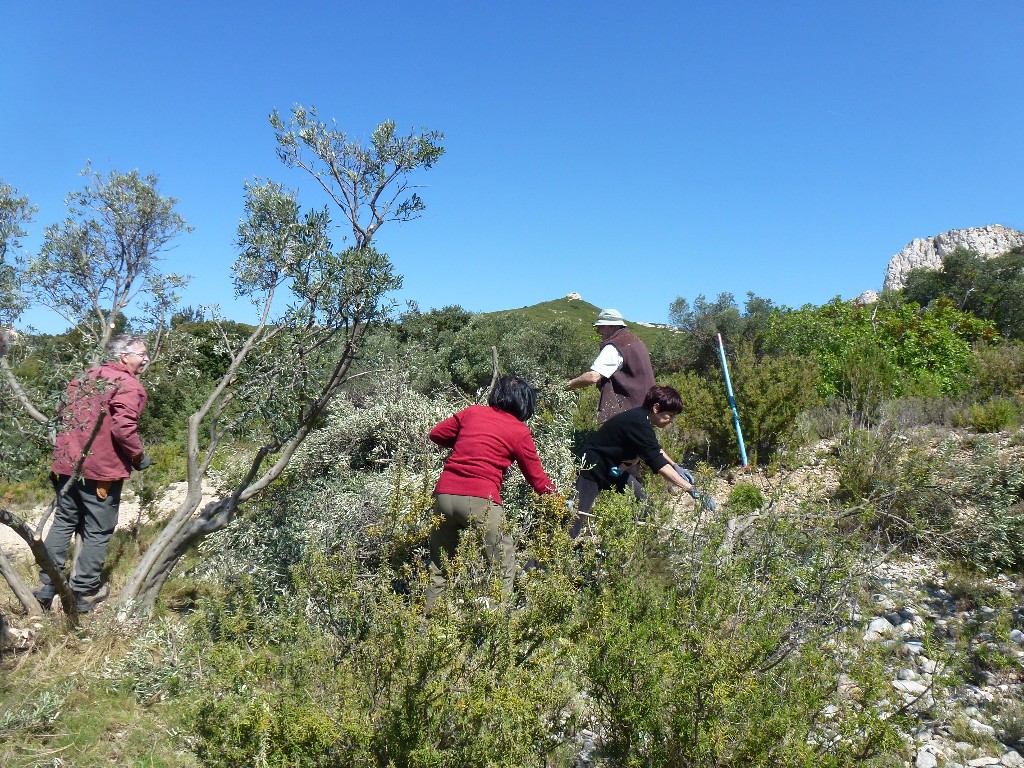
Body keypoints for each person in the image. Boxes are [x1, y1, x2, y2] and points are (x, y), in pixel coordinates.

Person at [34, 334, 153, 613]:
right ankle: (83, 594)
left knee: (63, 521)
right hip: (101, 471)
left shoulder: (84, 377)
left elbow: (61, 413)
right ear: (124, 356)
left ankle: (46, 586)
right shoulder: (127, 384)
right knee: (98, 530)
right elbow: (123, 428)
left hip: (67, 465)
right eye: (142, 354)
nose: (146, 359)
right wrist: (138, 456)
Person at [425, 375, 557, 613]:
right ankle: (495, 630)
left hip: (444, 496)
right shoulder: (519, 431)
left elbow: (436, 434)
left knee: (439, 567)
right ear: (525, 404)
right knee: (502, 567)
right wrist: (559, 501)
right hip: (481, 502)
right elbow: (538, 480)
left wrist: (467, 442)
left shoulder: (472, 413)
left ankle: (428, 628)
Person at [569, 384, 715, 539]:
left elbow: (655, 448)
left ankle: (644, 547)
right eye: (670, 415)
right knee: (575, 518)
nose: (671, 421)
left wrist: (675, 465)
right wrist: (691, 489)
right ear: (656, 408)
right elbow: (659, 465)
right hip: (592, 469)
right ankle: (550, 555)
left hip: (612, 470)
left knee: (644, 501)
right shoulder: (638, 422)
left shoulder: (643, 419)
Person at [568, 308, 656, 423]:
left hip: (628, 415)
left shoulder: (616, 346)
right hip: (644, 412)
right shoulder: (636, 342)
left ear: (611, 326)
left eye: (601, 327)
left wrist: (568, 385)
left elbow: (593, 377)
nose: (598, 331)